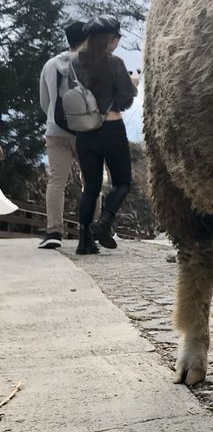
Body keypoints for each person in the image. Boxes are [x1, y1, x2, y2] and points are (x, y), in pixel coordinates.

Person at [72, 15, 137, 255]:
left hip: (85, 131)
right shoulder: (116, 63)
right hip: (111, 129)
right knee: (122, 182)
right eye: (116, 37)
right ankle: (105, 222)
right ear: (108, 39)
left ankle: (83, 240)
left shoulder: (75, 63)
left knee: (91, 187)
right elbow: (125, 100)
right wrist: (133, 82)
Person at [37, 21, 86, 248]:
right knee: (91, 182)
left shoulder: (49, 66)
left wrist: (55, 118)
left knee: (56, 181)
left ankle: (54, 232)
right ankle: (88, 231)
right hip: (85, 131)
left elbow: (45, 102)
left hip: (55, 130)